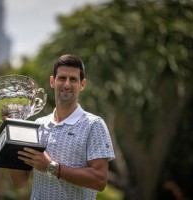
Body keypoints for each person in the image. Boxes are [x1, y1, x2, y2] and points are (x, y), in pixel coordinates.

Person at [7, 54, 115, 199]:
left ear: (82, 84)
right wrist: (10, 133)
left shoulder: (94, 125)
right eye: (62, 78)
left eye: (73, 79)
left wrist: (51, 167)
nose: (67, 85)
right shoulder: (38, 125)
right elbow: (20, 182)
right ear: (53, 81)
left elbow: (100, 180)